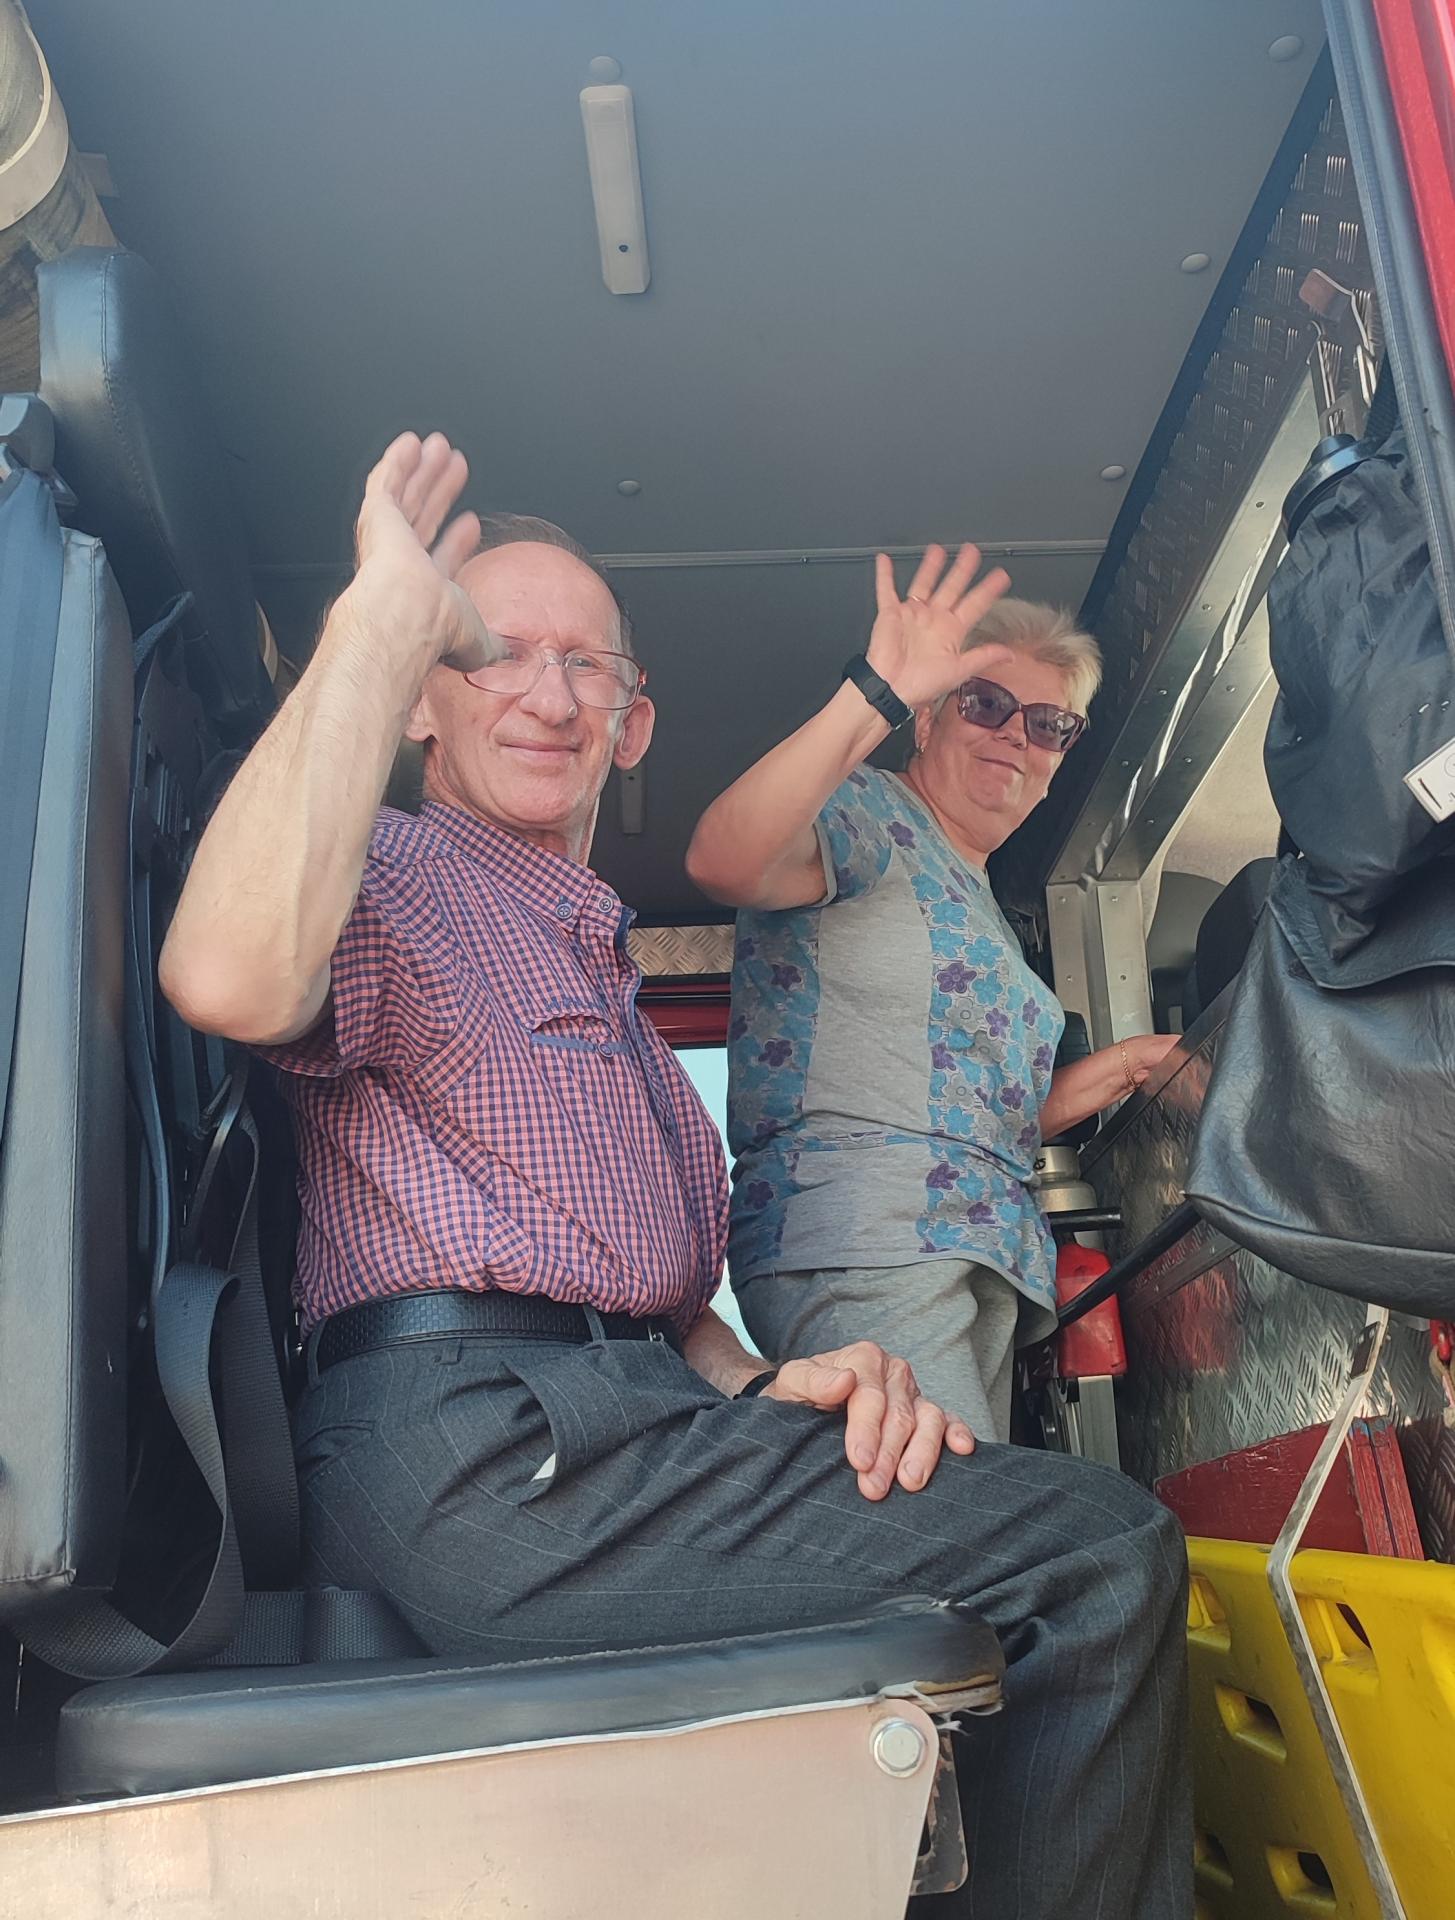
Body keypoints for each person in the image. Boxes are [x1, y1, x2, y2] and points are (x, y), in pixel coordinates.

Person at [160, 431, 1190, 1919]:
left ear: (630, 724)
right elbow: (228, 975)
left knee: (1034, 1545)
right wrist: (375, 628)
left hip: (613, 1419)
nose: (545, 693)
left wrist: (773, 1380)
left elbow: (653, 1311)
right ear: (424, 704)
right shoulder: (389, 872)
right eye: (490, 653)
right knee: (1095, 1557)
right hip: (476, 1450)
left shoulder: (601, 971)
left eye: (586, 667)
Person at [686, 557, 1176, 1442]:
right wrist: (873, 691)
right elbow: (722, 860)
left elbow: (983, 1117)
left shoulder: (979, 900)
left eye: (1048, 724)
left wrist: (1133, 1065)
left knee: (953, 1508)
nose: (1014, 736)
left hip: (970, 1250)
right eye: (984, 704)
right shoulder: (866, 814)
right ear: (926, 718)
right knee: (948, 1512)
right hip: (867, 1244)